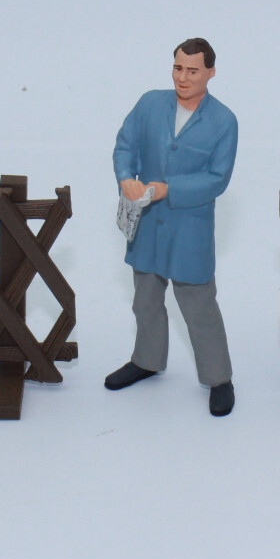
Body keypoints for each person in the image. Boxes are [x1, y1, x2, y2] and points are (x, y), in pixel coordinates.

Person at [108, 37, 238, 416]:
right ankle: (147, 360)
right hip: (148, 223)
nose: (183, 77)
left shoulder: (223, 121)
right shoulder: (150, 104)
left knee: (199, 306)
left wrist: (171, 189)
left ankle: (218, 378)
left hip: (189, 229)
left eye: (193, 70)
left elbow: (217, 178)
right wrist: (126, 177)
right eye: (178, 68)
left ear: (210, 73)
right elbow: (125, 145)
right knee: (145, 299)